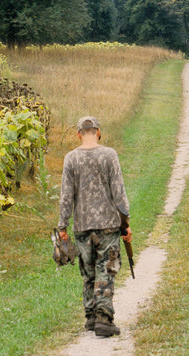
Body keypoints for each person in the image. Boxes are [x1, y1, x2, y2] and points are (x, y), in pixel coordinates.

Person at [57, 116, 132, 337]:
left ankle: (90, 317)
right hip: (108, 225)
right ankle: (104, 318)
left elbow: (66, 196)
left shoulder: (70, 158)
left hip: (82, 227)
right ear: (98, 132)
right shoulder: (109, 155)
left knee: (88, 271)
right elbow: (119, 193)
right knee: (106, 269)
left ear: (79, 134)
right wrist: (125, 224)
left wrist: (62, 226)